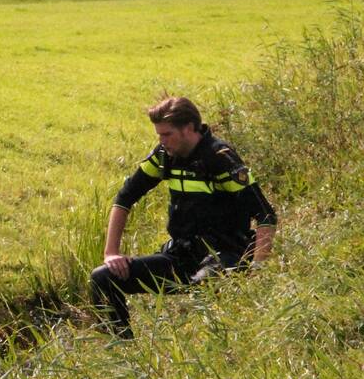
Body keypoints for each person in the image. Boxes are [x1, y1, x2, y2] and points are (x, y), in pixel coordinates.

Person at [90, 96, 277, 338]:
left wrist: (258, 268)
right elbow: (124, 199)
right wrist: (111, 253)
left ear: (189, 128)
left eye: (166, 134)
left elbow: (265, 215)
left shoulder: (219, 158)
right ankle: (121, 352)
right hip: (181, 256)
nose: (161, 141)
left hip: (225, 256)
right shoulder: (164, 156)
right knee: (102, 278)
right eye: (159, 135)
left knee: (205, 287)